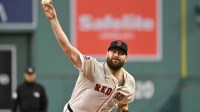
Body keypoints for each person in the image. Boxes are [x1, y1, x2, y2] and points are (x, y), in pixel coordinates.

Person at [41, 1, 135, 112]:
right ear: (107, 53)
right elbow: (68, 50)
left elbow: (123, 104)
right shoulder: (93, 67)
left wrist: (123, 109)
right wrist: (53, 19)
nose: (116, 55)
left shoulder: (129, 82)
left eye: (121, 53)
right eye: (113, 51)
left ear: (126, 58)